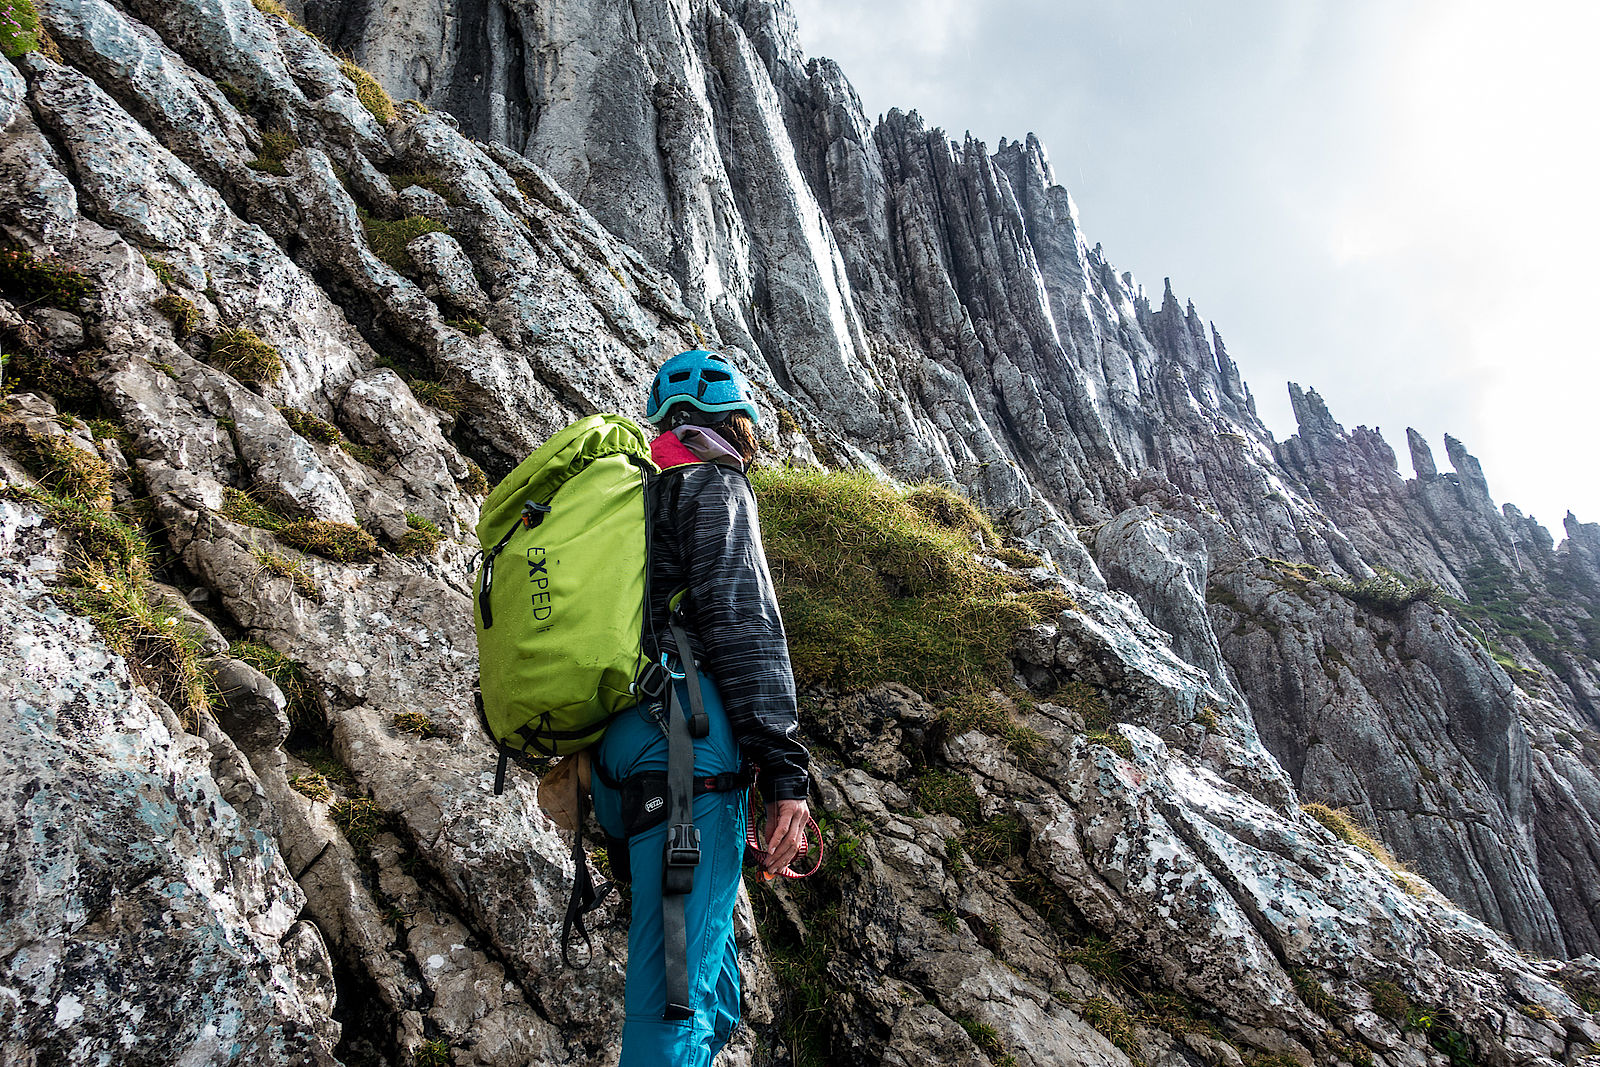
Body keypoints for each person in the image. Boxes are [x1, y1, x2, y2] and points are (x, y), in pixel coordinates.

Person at [587, 348, 812, 1066]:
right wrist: (785, 775)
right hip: (685, 751)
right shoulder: (711, 480)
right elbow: (744, 624)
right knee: (673, 1003)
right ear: (734, 422)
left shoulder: (628, 492)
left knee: (713, 993)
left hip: (617, 750)